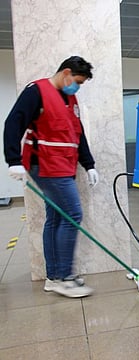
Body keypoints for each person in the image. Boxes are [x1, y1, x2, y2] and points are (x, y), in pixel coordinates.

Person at [3, 56, 98, 298]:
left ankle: (54, 277)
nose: (77, 86)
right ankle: (64, 278)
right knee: (73, 214)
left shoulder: (70, 99)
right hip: (44, 166)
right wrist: (13, 159)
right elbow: (13, 123)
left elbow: (78, 134)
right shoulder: (37, 91)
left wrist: (89, 165)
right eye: (77, 81)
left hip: (63, 167)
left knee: (56, 217)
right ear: (66, 73)